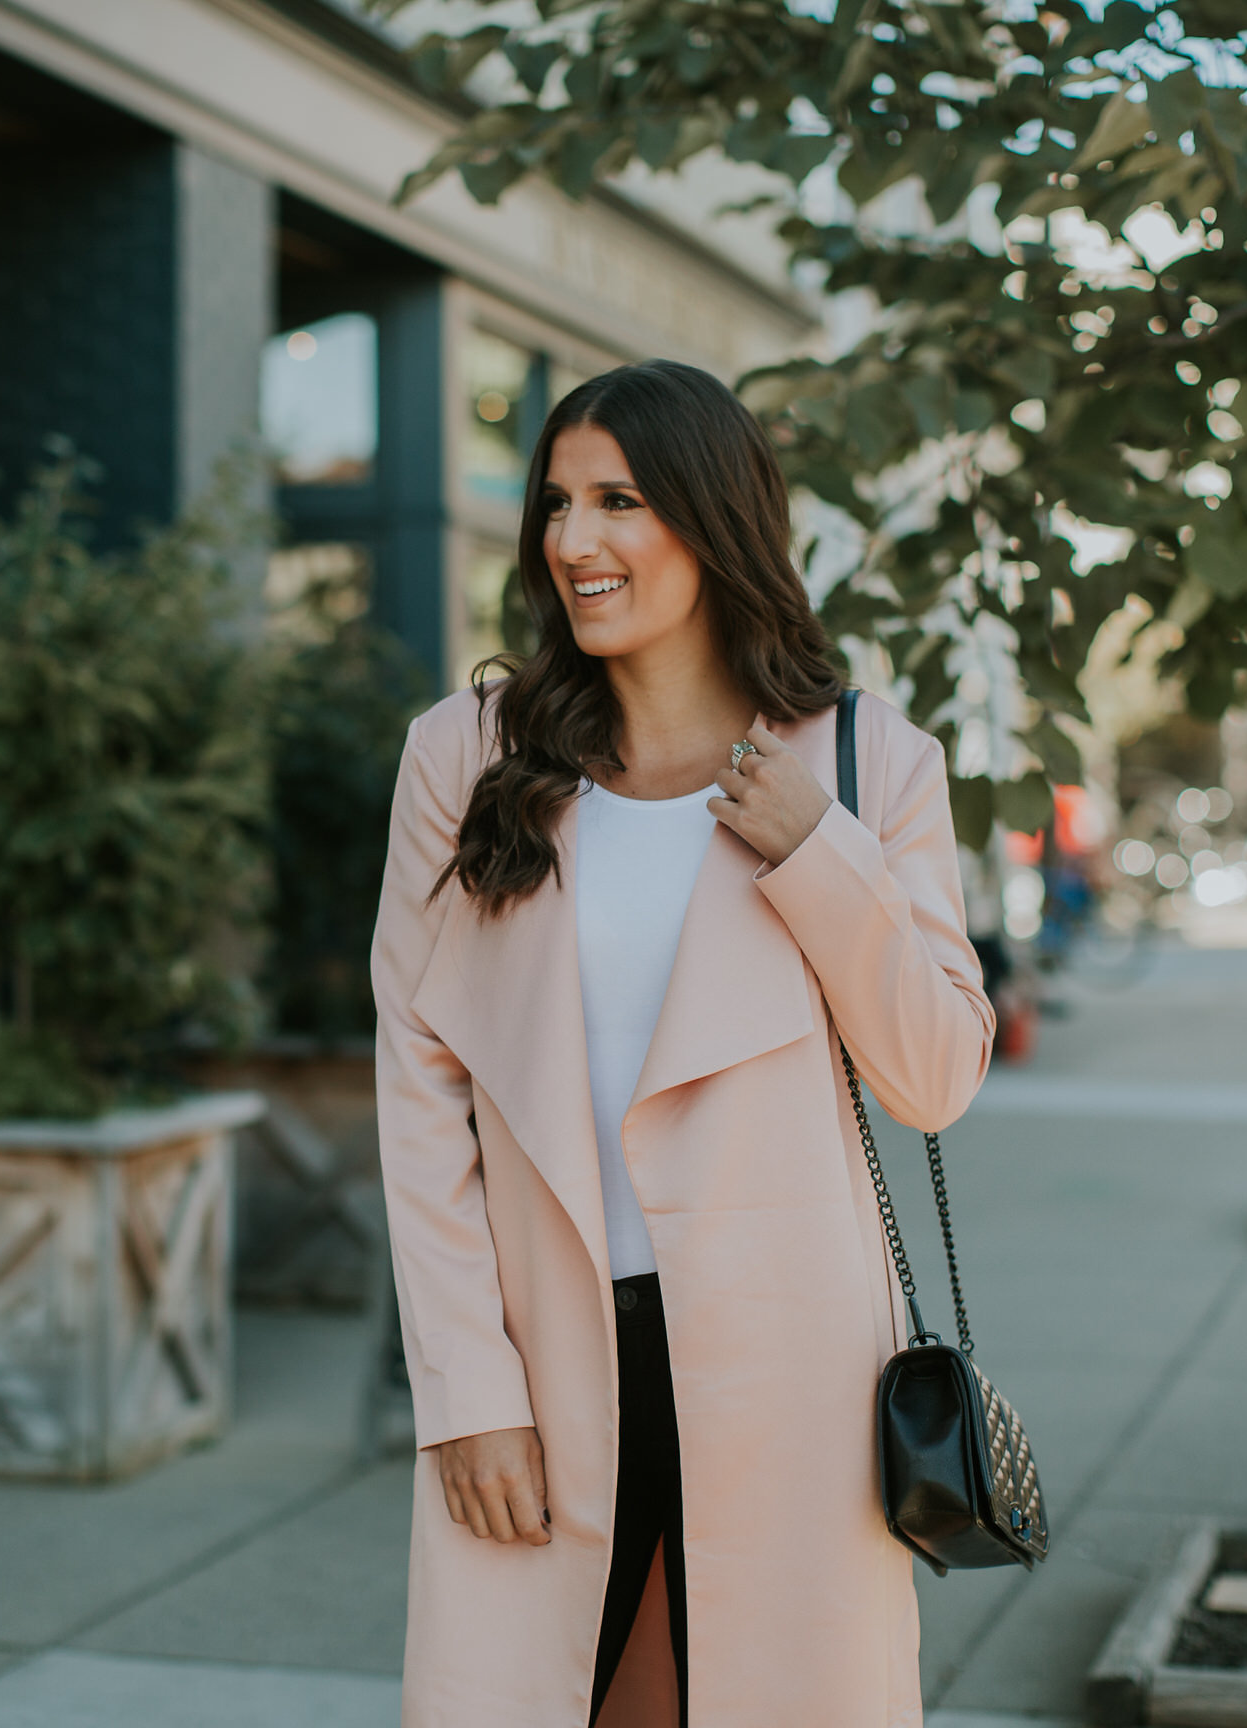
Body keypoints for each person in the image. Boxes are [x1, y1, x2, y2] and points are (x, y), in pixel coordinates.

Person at [371, 360, 995, 1728]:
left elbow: (937, 1073)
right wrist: (466, 1389)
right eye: (557, 503)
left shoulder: (862, 762)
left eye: (621, 501)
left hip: (791, 1371)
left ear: (715, 523)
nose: (574, 542)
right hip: (545, 1351)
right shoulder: (468, 758)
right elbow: (419, 1097)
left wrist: (816, 852)